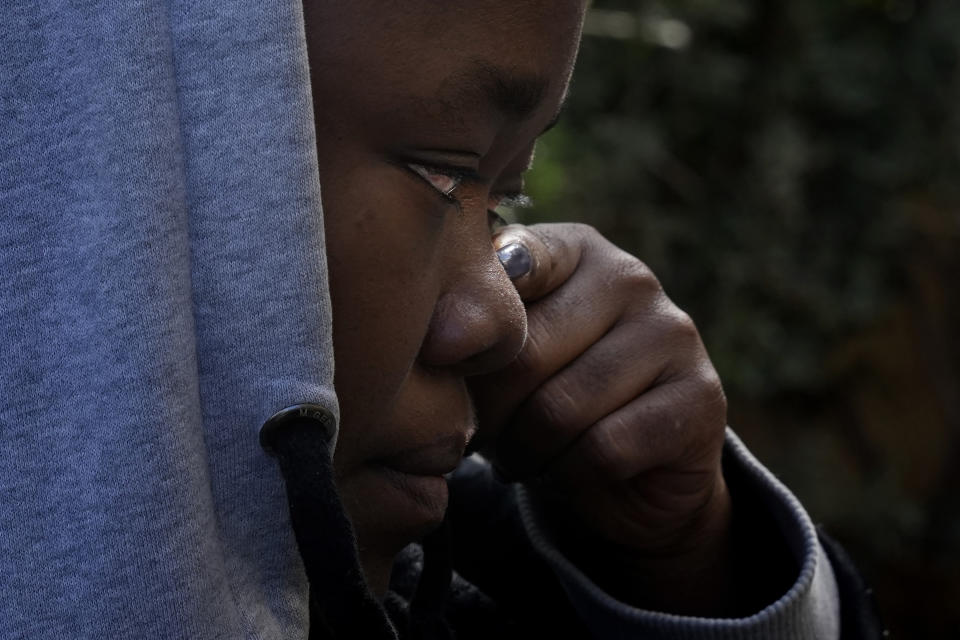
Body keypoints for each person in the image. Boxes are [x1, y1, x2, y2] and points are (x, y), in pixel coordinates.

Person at [0, 1, 881, 638]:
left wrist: (689, 569)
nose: (500, 322)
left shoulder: (486, 568)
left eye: (507, 194)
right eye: (441, 170)